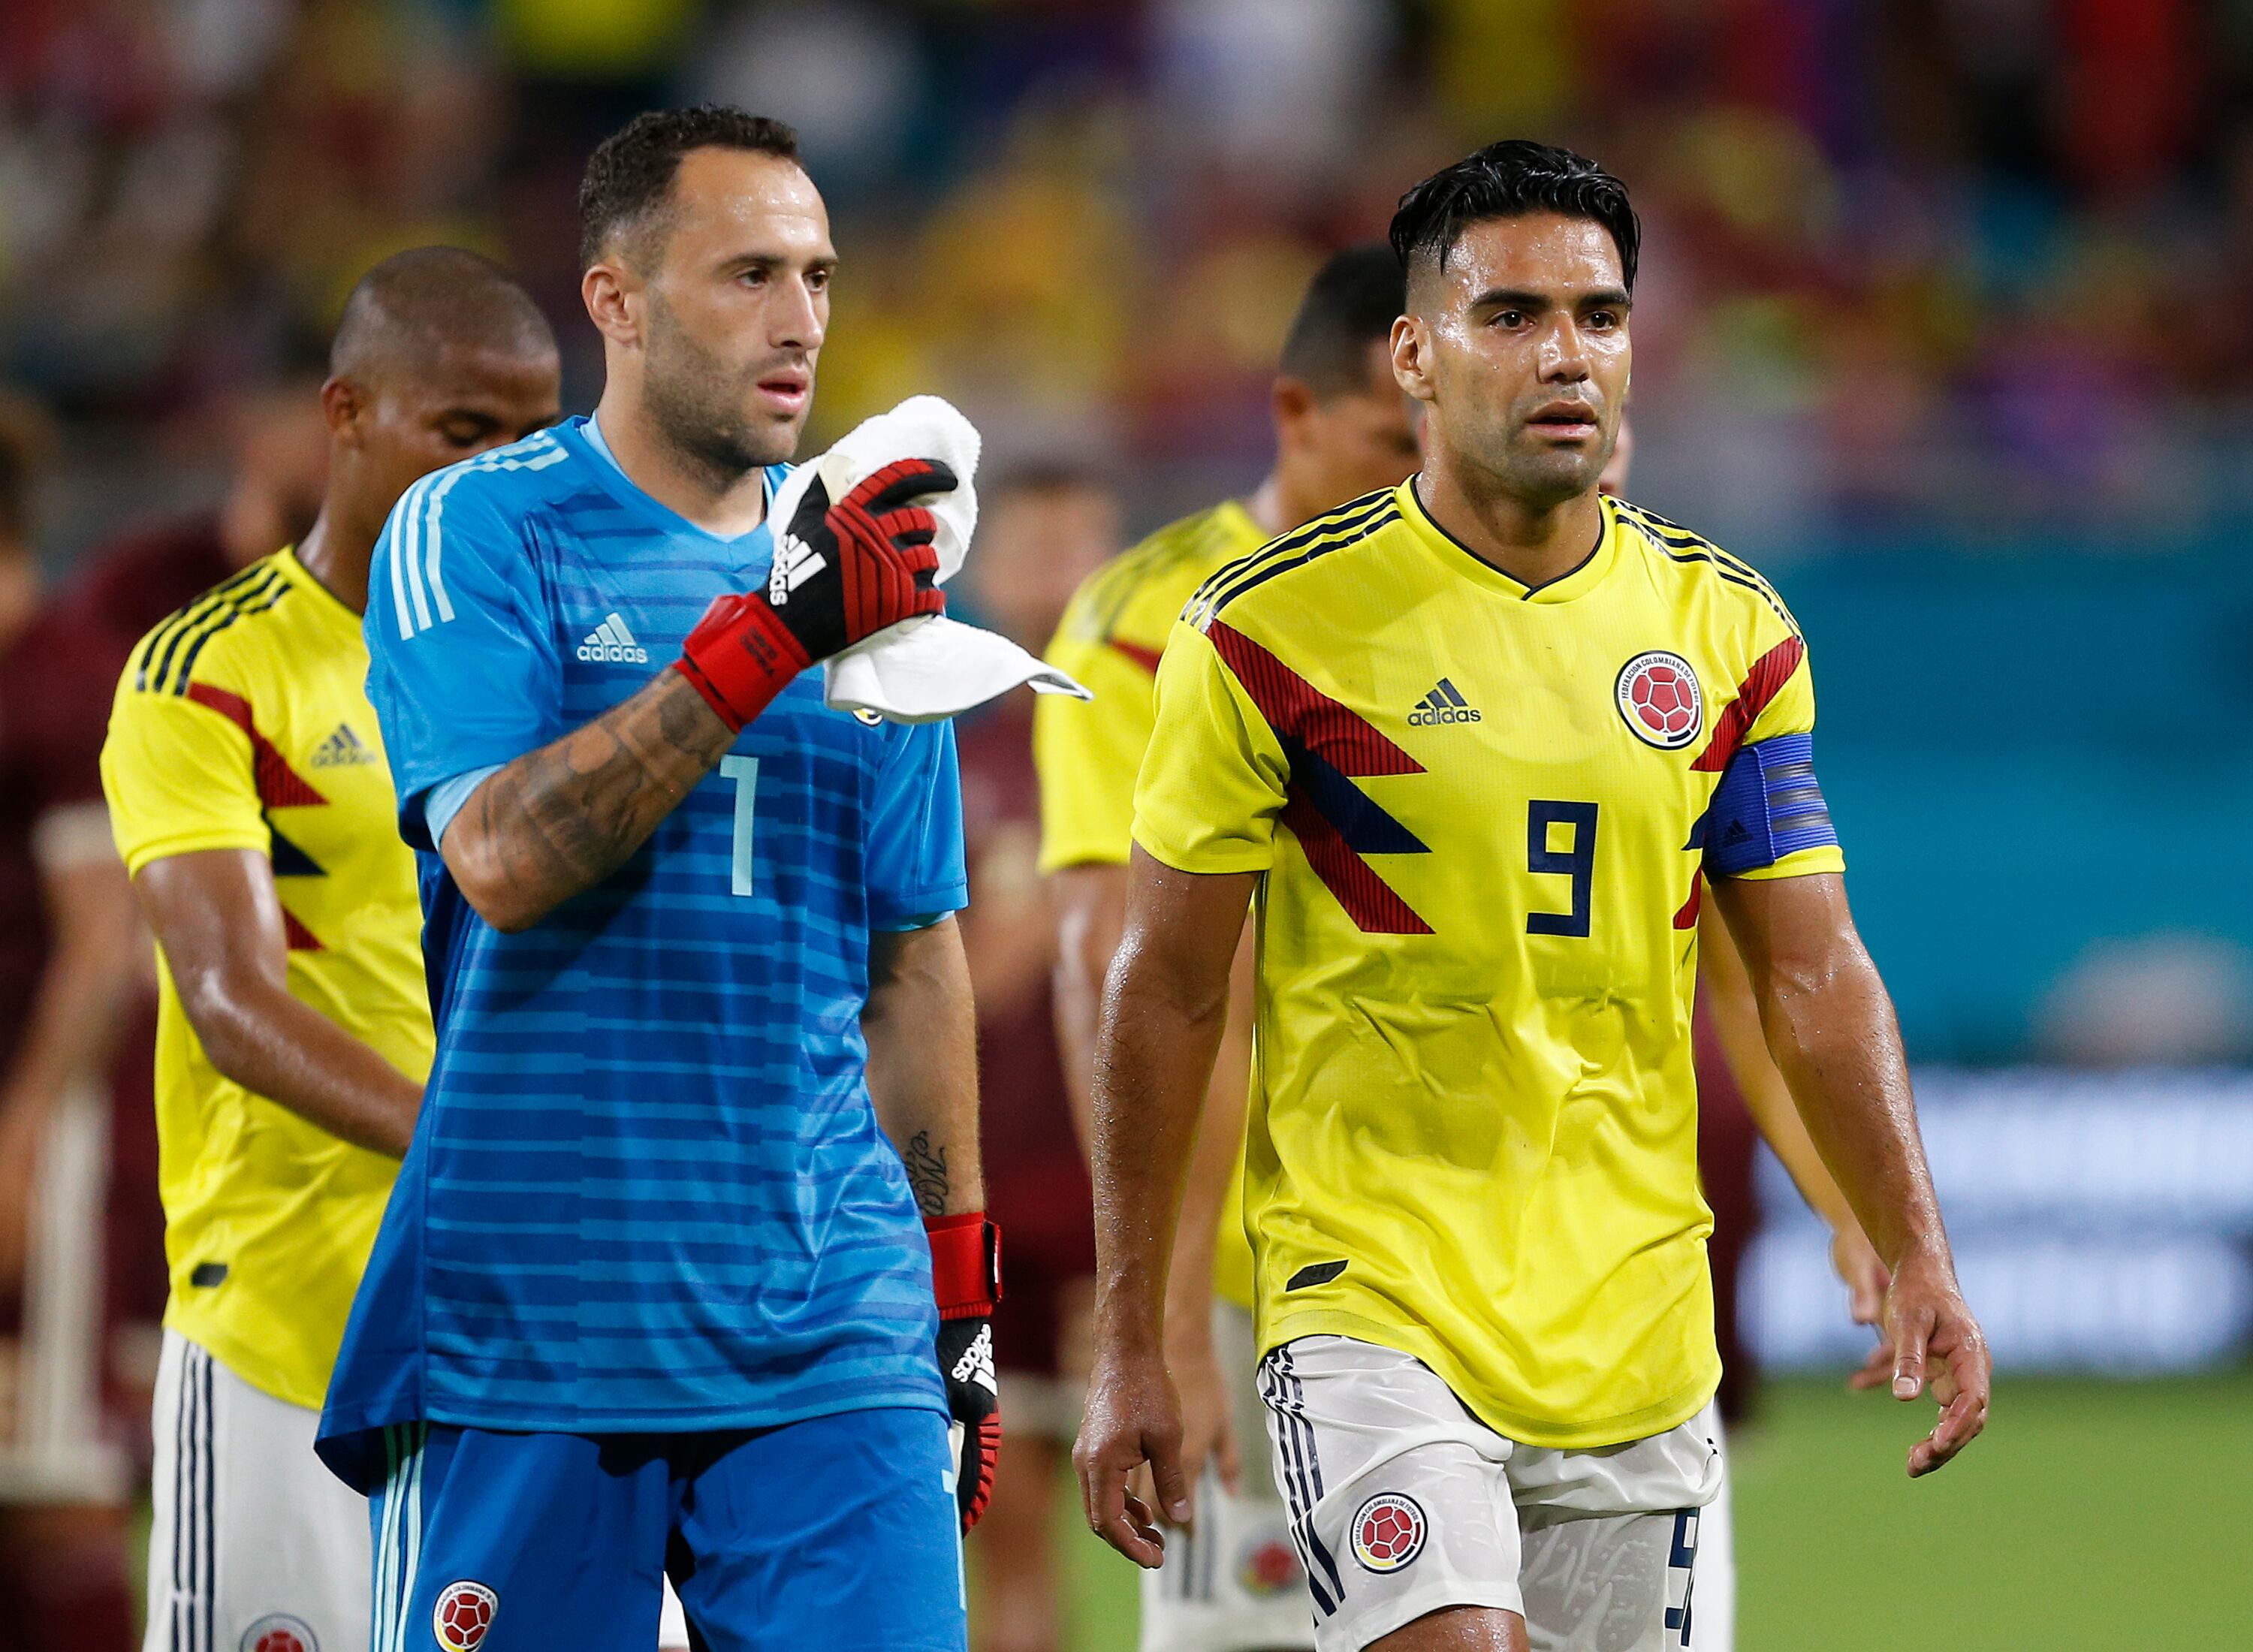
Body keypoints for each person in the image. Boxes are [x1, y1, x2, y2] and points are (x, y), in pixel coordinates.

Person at [1075, 140, 1990, 1652]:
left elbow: (1814, 975)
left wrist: (1914, 1240)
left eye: (1599, 314)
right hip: (1370, 1297)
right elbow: (1164, 989)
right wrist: (1133, 1336)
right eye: (1511, 315)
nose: (1566, 352)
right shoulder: (1262, 634)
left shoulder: (1728, 632)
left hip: (1637, 1318)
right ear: (1414, 353)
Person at [318, 107, 994, 1652]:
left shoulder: (875, 579)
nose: (803, 318)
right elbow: (496, 856)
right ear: (615, 301)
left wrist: (958, 1295)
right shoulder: (480, 528)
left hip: (832, 1328)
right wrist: (766, 642)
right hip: (530, 1322)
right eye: (749, 273)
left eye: (818, 274)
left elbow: (917, 953)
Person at [98, 249, 562, 1652]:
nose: (504, 474)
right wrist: (465, 1144)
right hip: (288, 1325)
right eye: (465, 432)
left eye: (537, 440)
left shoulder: (561, 677)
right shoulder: (211, 673)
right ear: (345, 413)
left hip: (522, 1330)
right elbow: (231, 1002)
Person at [1039, 243, 1418, 1652]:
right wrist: (1169, 1307)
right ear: (1296, 413)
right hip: (1268, 1278)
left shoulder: (1488, 609)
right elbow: (1123, 978)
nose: (1418, 474)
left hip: (1470, 1260)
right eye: (1391, 440)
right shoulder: (1144, 629)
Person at [952, 467, 1120, 1652]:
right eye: (1036, 548)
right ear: (988, 572)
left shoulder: (1169, 737)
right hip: (987, 1187)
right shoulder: (936, 744)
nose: (1059, 576)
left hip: (1135, 1195)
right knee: (1001, 1522)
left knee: (1198, 1529)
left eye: (1084, 550)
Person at [0, 391, 145, 1651]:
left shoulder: (58, 681)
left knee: (52, 1489)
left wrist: (25, 1133)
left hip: (48, 1140)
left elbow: (106, 941)